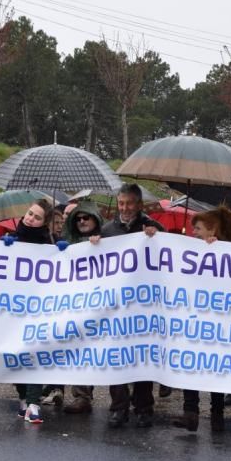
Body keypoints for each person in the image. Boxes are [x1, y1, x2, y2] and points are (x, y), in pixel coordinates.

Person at [100, 183, 163, 429]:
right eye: (121, 203)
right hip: (115, 305)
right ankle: (118, 407)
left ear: (139, 204)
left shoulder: (153, 229)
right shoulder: (107, 231)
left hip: (144, 306)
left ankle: (144, 407)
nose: (125, 208)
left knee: (142, 358)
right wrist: (94, 242)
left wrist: (156, 237)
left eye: (129, 203)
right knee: (116, 356)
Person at [173, 206, 231, 433]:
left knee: (215, 368)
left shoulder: (227, 251)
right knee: (190, 362)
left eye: (198, 228)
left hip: (217, 320)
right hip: (194, 317)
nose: (194, 233)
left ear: (212, 229)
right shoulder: (193, 251)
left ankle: (217, 412)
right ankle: (190, 412)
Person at [2, 201, 54, 424]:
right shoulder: (10, 239)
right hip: (11, 307)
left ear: (45, 223)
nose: (30, 218)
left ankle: (33, 403)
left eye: (37, 217)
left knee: (34, 354)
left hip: (37, 308)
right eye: (30, 213)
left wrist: (62, 252)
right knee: (15, 355)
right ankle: (23, 397)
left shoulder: (48, 245)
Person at [59, 201, 104, 415]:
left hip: (99, 305)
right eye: (78, 219)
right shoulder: (67, 242)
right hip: (71, 304)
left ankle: (86, 395)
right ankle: (79, 395)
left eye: (86, 217)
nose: (82, 221)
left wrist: (100, 244)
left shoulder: (109, 240)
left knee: (88, 351)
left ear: (96, 219)